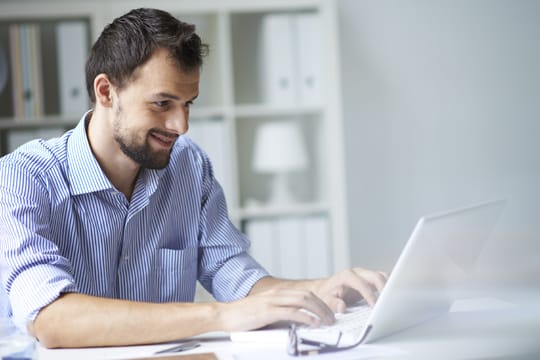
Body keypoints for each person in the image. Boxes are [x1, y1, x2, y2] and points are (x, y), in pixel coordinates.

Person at [0, 8, 387, 349]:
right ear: (106, 92)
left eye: (188, 105)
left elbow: (233, 274)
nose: (180, 126)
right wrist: (220, 316)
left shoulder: (188, 166)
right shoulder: (24, 176)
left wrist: (317, 290)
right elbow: (50, 318)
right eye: (162, 103)